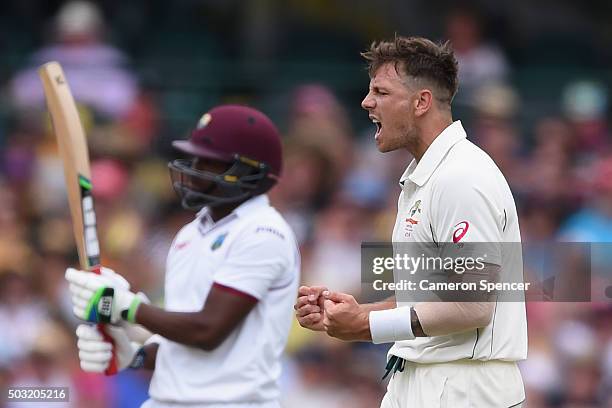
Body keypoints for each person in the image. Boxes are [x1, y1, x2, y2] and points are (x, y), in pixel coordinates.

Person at [295, 36, 527, 407]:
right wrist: (354, 314)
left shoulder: (461, 177)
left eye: (381, 92)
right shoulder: (425, 176)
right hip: (424, 379)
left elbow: (473, 305)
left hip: (465, 390)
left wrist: (370, 325)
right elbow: (430, 297)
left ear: (421, 102)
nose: (366, 102)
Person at [65, 105, 300, 408]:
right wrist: (135, 356)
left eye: (210, 162)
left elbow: (207, 330)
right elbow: (184, 339)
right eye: (195, 158)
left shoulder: (264, 233)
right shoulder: (190, 234)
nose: (194, 169)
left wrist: (125, 306)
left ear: (249, 172)